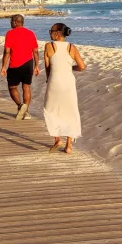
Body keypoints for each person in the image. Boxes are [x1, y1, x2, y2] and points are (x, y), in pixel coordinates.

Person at [44, 23, 86, 154]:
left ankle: (57, 139)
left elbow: (47, 67)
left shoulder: (49, 46)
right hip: (68, 82)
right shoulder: (71, 47)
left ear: (57, 33)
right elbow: (82, 67)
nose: (50, 33)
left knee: (50, 110)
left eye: (51, 31)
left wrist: (48, 79)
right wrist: (71, 68)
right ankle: (69, 146)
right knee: (71, 111)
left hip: (54, 80)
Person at [1, 14, 40, 120]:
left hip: (15, 65)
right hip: (28, 64)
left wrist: (4, 66)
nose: (10, 23)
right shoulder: (30, 33)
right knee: (26, 87)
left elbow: (7, 51)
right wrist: (36, 65)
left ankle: (20, 105)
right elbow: (35, 51)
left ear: (15, 22)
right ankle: (26, 112)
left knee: (12, 87)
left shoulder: (10, 33)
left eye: (10, 21)